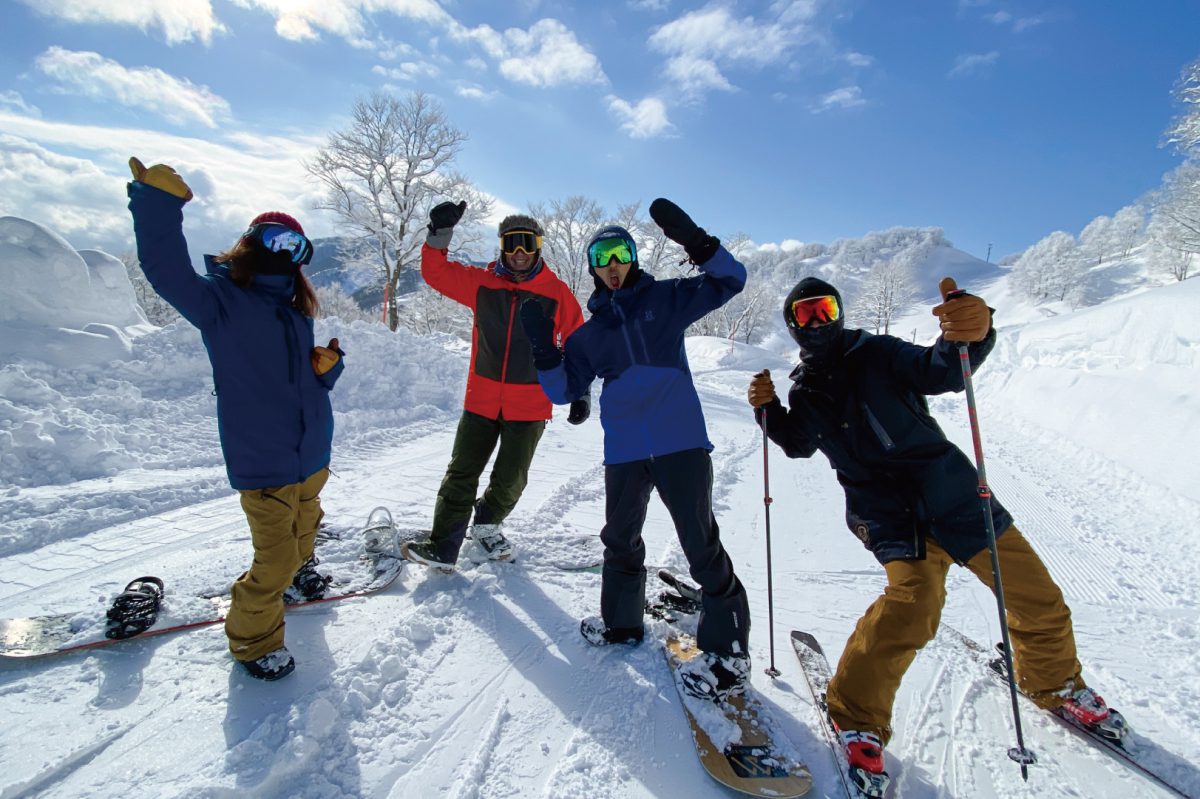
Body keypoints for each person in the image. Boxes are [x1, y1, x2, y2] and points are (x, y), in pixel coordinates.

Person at [747, 275, 1126, 791]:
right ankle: (855, 713)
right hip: (886, 512)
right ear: (793, 326)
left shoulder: (877, 352)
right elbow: (796, 444)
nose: (819, 322)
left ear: (839, 311)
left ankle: (1054, 684)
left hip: (954, 496)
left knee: (1036, 595)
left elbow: (941, 371)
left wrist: (969, 334)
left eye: (825, 309)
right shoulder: (807, 388)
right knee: (913, 605)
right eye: (806, 315)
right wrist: (767, 410)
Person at [520, 198, 752, 703]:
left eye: (620, 253)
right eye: (602, 257)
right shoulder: (589, 335)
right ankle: (622, 625)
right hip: (624, 450)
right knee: (620, 540)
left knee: (699, 543)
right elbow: (563, 391)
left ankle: (729, 650)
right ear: (592, 268)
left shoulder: (666, 301)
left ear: (633, 257)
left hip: (681, 443)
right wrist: (543, 350)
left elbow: (731, 280)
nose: (613, 265)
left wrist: (698, 241)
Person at [126, 157, 345, 681]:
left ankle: (295, 578)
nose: (286, 253)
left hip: (311, 454)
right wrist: (158, 205)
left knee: (305, 534)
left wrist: (326, 372)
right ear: (251, 242)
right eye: (276, 239)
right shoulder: (220, 301)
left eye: (297, 248)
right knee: (273, 558)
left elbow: (298, 385)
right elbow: (163, 269)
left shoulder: (295, 315)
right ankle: (252, 640)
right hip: (265, 461)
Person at [401, 202, 587, 573]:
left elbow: (578, 343)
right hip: (482, 400)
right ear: (501, 247)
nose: (519, 253)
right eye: (511, 244)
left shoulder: (556, 293)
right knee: (461, 473)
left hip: (530, 405)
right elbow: (436, 273)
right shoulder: (482, 284)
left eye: (527, 244)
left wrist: (580, 391)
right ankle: (443, 545)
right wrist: (439, 235)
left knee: (511, 479)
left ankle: (486, 527)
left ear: (538, 247)